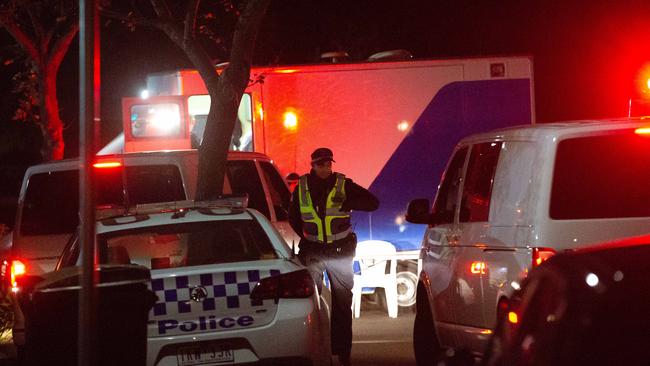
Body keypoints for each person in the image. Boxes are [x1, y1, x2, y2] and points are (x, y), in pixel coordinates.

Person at [289, 147, 379, 366]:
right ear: (312, 166)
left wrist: (350, 202)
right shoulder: (301, 188)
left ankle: (343, 352)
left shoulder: (343, 184)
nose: (326, 168)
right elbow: (293, 217)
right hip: (314, 251)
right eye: (321, 164)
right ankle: (317, 350)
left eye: (329, 163)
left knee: (342, 303)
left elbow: (372, 203)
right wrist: (310, 238)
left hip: (340, 251)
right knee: (312, 304)